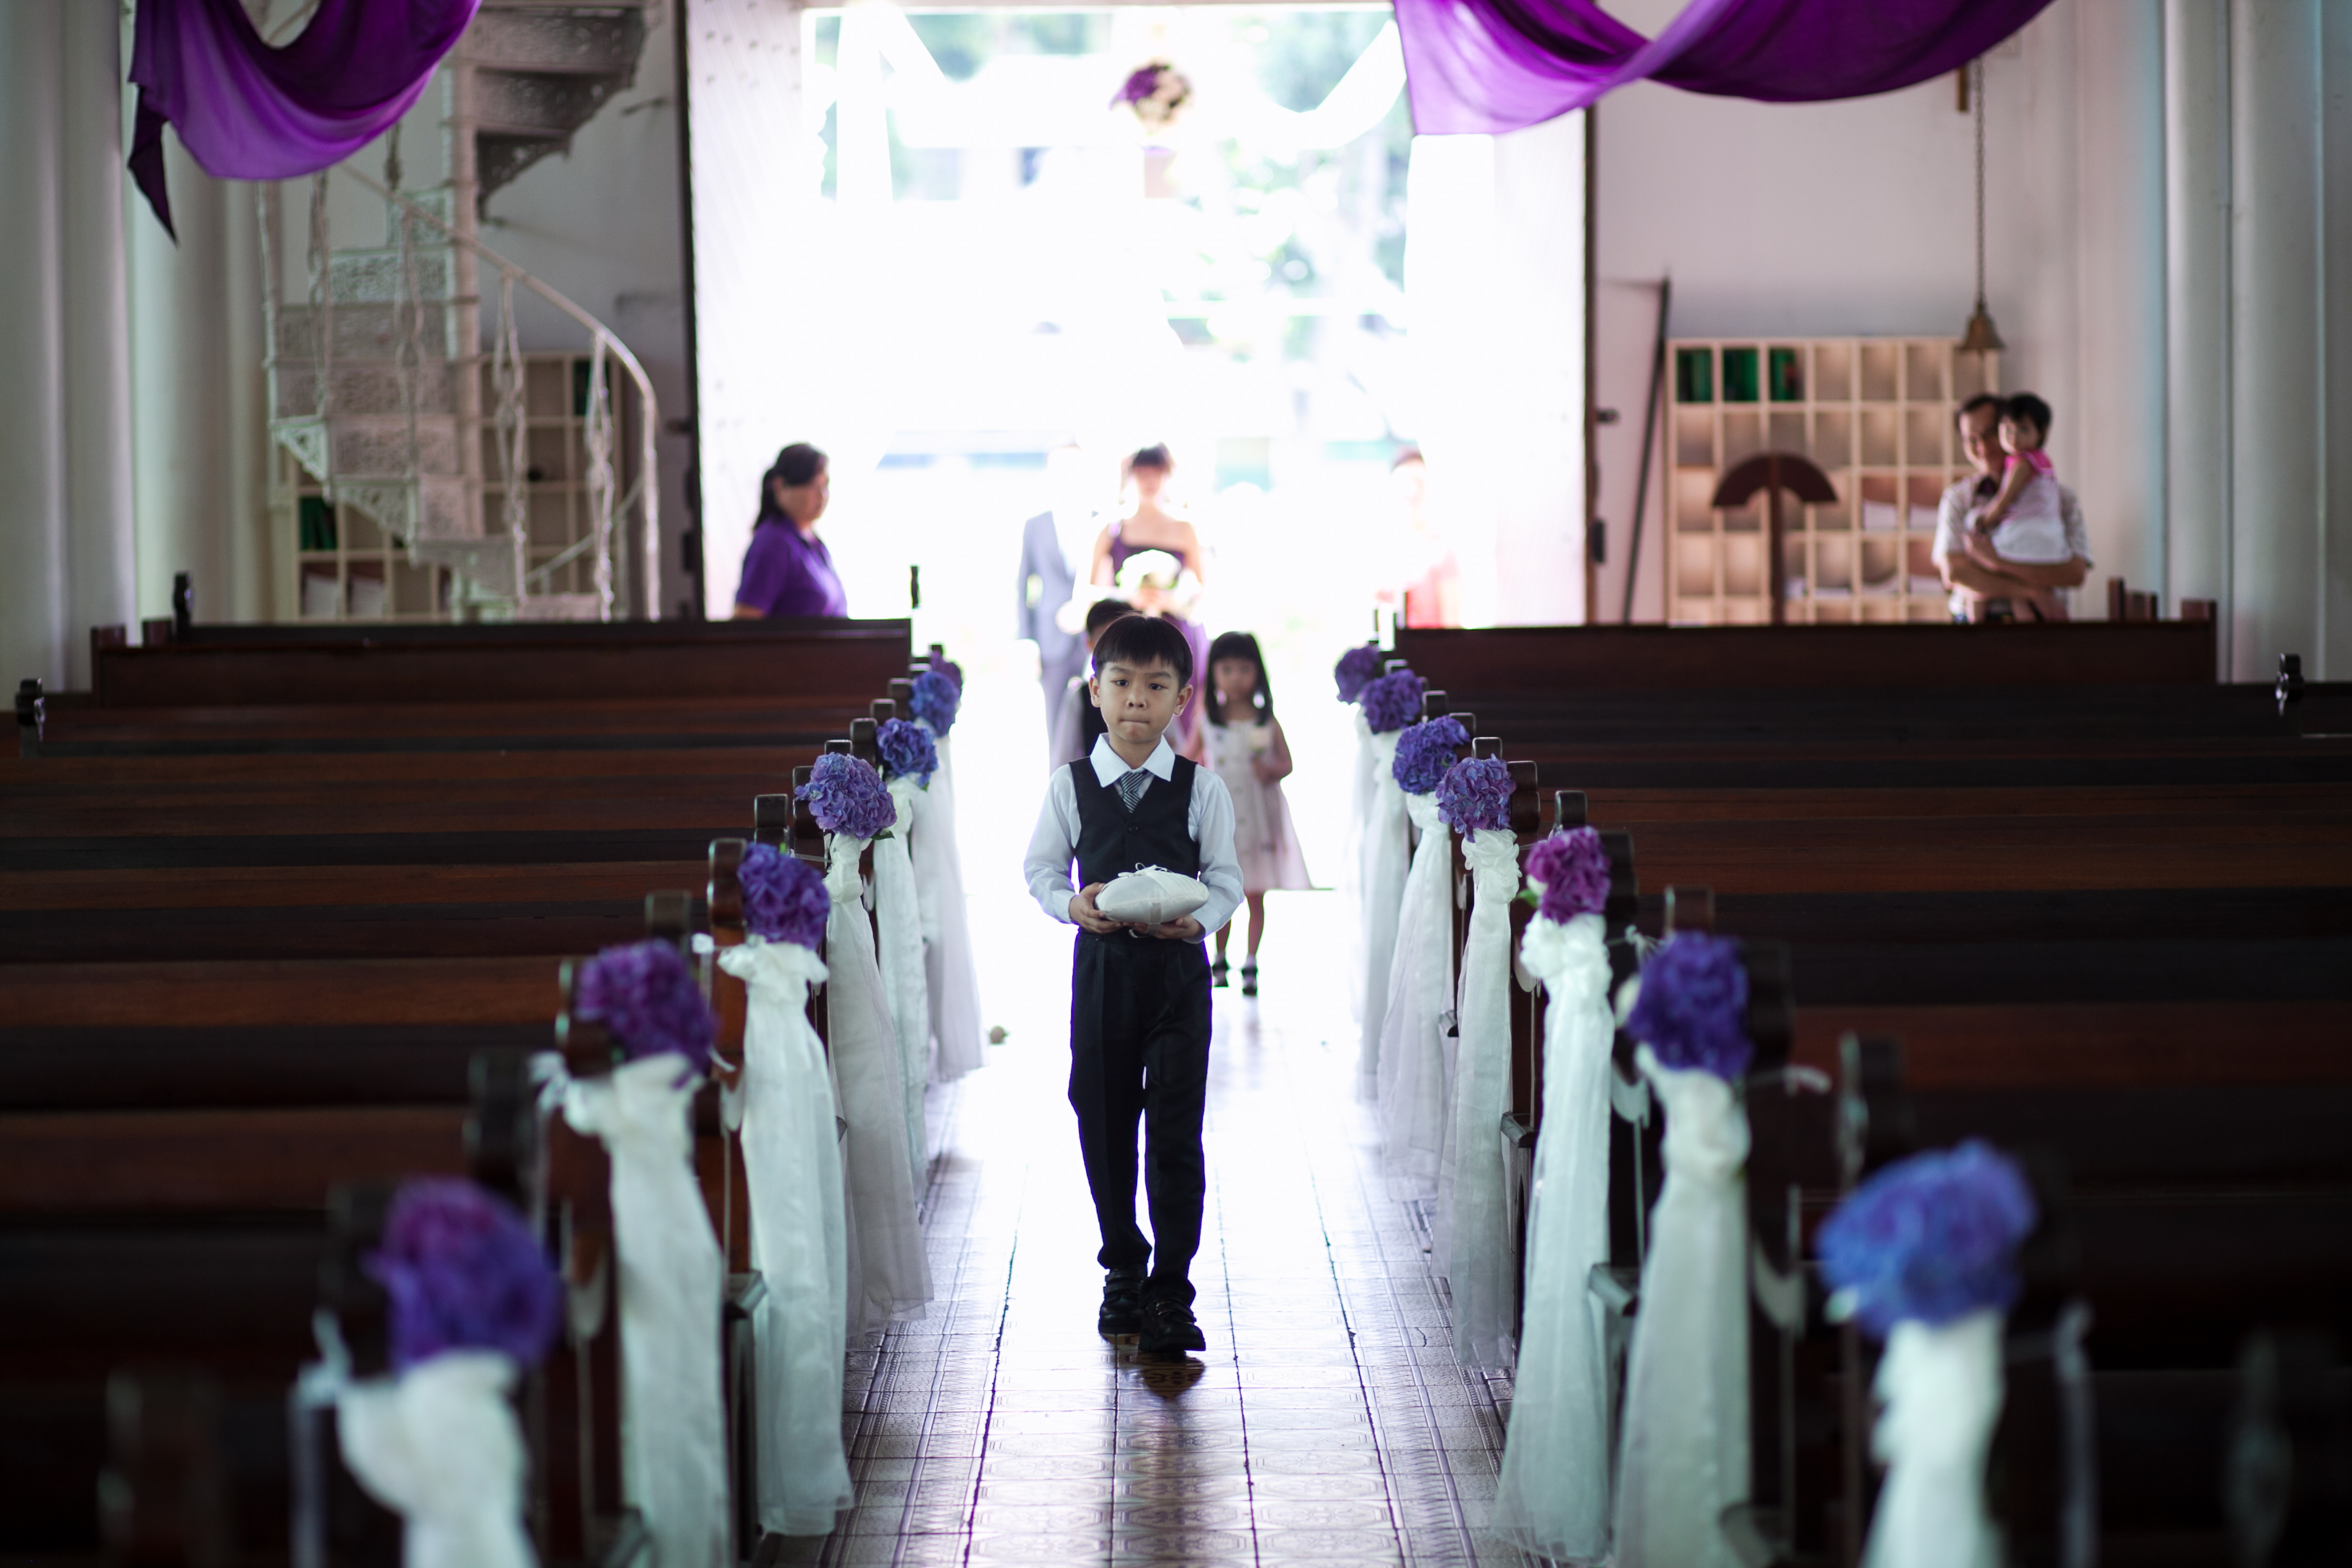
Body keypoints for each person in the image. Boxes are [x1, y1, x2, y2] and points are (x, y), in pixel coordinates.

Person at [1021, 614, 1242, 1359]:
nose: (1136, 700)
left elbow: (1226, 879)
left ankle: (1172, 1289)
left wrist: (1201, 921)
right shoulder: (1071, 785)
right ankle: (1123, 1266)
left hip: (1178, 977)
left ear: (1182, 698)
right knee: (1105, 1117)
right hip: (1104, 973)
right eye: (1121, 683)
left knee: (1176, 1130)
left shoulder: (1202, 789)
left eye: (1155, 686)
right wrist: (1071, 905)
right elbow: (1042, 870)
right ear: (1096, 690)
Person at [1202, 631, 1311, 996]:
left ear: (1258, 673)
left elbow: (1288, 763)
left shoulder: (1266, 720)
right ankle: (1219, 958)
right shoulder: (1208, 720)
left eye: (1244, 669)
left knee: (1255, 893)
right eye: (1227, 669)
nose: (1235, 678)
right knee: (1221, 889)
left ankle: (1251, 961)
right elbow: (1187, 759)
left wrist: (1270, 771)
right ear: (1213, 673)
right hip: (1223, 819)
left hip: (1259, 816)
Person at [1088, 445, 1209, 757]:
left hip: (1177, 632)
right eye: (1142, 472)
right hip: (1126, 634)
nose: (1149, 480)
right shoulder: (1111, 527)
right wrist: (1128, 597)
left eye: (1157, 472)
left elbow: (1201, 588)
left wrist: (1172, 599)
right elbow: (1089, 592)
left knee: (1180, 717)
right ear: (1129, 477)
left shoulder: (1185, 527)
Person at [1932, 395, 2091, 622]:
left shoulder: (2061, 498)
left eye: (1990, 433)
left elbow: (2074, 573)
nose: (1983, 447)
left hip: (2044, 620)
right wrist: (2032, 591)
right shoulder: (1958, 499)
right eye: (1972, 440)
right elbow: (1956, 573)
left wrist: (1995, 563)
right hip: (1978, 623)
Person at [1017, 447, 1097, 759]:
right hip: (1051, 639)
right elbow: (1022, 585)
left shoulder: (1101, 521)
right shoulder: (1036, 525)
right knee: (1055, 727)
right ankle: (1059, 784)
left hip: (1095, 636)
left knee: (1098, 720)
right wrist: (1026, 641)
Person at [734, 444, 848, 618]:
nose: (822, 495)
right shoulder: (774, 544)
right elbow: (746, 620)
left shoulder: (813, 543)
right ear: (780, 486)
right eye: (812, 485)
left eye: (825, 485)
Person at [1971, 393, 2072, 590]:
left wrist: (1983, 521)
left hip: (2026, 532)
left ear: (2042, 432)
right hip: (2049, 532)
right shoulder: (2041, 460)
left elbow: (2004, 501)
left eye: (2023, 429)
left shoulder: (2022, 464)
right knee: (2026, 589)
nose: (2014, 437)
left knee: (1984, 567)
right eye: (2008, 430)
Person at [1049, 597, 1134, 771]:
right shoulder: (1079, 697)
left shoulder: (1152, 690)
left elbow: (1175, 745)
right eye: (1106, 639)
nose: (1116, 648)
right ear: (1090, 644)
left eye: (1125, 639)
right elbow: (1063, 760)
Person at [1381, 449, 1462, 628]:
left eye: (1419, 483)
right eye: (1404, 483)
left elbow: (1452, 628)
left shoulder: (1443, 553)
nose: (1412, 491)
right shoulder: (1384, 550)